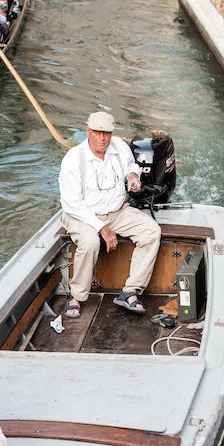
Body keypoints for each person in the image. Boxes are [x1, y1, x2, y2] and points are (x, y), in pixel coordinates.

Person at [58, 111, 161, 318]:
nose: (102, 138)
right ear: (88, 131)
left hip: (117, 212)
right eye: (97, 132)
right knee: (90, 242)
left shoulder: (120, 147)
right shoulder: (73, 159)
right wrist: (102, 228)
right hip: (81, 215)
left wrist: (133, 176)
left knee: (151, 232)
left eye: (106, 133)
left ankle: (130, 290)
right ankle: (76, 295)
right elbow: (73, 204)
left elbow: (132, 166)